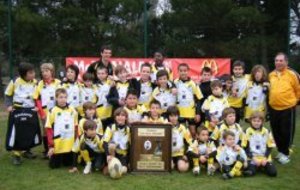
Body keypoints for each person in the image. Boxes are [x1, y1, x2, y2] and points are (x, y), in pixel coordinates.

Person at [5, 62, 41, 165]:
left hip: (31, 110)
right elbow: (8, 95)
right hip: (18, 110)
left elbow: (39, 97)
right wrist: (8, 106)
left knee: (29, 131)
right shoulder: (15, 81)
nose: (33, 74)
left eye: (33, 72)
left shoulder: (35, 82)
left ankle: (27, 151)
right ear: (23, 74)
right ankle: (16, 154)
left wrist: (38, 107)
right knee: (18, 132)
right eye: (30, 73)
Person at [268, 52, 300, 164]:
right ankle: (280, 151)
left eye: (281, 60)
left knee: (286, 131)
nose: (278, 62)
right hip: (273, 108)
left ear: (286, 62)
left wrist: (295, 101)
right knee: (276, 131)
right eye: (276, 60)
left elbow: (298, 89)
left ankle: (286, 154)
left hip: (287, 107)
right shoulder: (271, 75)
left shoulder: (292, 74)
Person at [45, 88, 78, 169]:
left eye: (65, 97)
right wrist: (51, 145)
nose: (63, 100)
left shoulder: (73, 110)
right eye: (60, 97)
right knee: (53, 166)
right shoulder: (52, 111)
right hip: (58, 142)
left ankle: (68, 156)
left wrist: (76, 139)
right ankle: (53, 154)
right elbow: (48, 128)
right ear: (56, 98)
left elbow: (76, 126)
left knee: (68, 163)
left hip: (69, 142)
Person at [33, 63, 61, 158]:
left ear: (51, 72)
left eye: (46, 71)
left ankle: (57, 149)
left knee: (56, 130)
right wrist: (41, 113)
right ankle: (47, 150)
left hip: (56, 112)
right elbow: (37, 99)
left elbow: (61, 96)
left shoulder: (58, 82)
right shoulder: (39, 84)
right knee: (46, 131)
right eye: (43, 72)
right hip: (44, 112)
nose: (44, 73)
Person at [242, 112, 277, 177]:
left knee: (273, 173)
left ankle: (261, 166)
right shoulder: (246, 131)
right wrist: (253, 158)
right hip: (252, 157)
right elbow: (245, 148)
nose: (256, 123)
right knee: (250, 172)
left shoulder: (267, 131)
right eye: (254, 121)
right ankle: (255, 167)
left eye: (258, 121)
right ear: (250, 121)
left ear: (262, 121)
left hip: (264, 157)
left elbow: (270, 147)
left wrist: (265, 158)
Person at [174, 63, 203, 138]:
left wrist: (198, 113)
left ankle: (193, 148)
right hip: (179, 112)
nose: (183, 72)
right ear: (178, 71)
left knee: (193, 133)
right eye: (181, 71)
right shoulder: (175, 82)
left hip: (191, 113)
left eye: (185, 70)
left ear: (188, 71)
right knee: (180, 134)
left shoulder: (193, 83)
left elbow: (199, 99)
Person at [103, 108, 131, 175]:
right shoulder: (110, 127)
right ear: (115, 117)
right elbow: (105, 142)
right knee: (112, 145)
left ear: (126, 118)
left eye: (122, 115)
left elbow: (130, 145)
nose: (120, 117)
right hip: (112, 152)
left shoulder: (129, 129)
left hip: (123, 153)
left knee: (125, 169)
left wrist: (130, 160)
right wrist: (108, 155)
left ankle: (116, 169)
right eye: (118, 115)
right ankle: (111, 165)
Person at [167, 106, 193, 172]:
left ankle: (186, 163)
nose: (173, 118)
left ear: (178, 116)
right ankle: (174, 164)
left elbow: (190, 142)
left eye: (175, 116)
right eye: (171, 116)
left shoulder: (183, 128)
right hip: (168, 154)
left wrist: (186, 155)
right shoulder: (165, 127)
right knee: (169, 167)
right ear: (168, 117)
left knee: (182, 168)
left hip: (180, 154)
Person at [94, 66, 114, 130]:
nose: (100, 75)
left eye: (102, 73)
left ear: (106, 74)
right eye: (99, 73)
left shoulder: (111, 82)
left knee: (109, 131)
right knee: (100, 130)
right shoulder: (94, 85)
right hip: (99, 111)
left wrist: (112, 79)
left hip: (110, 111)